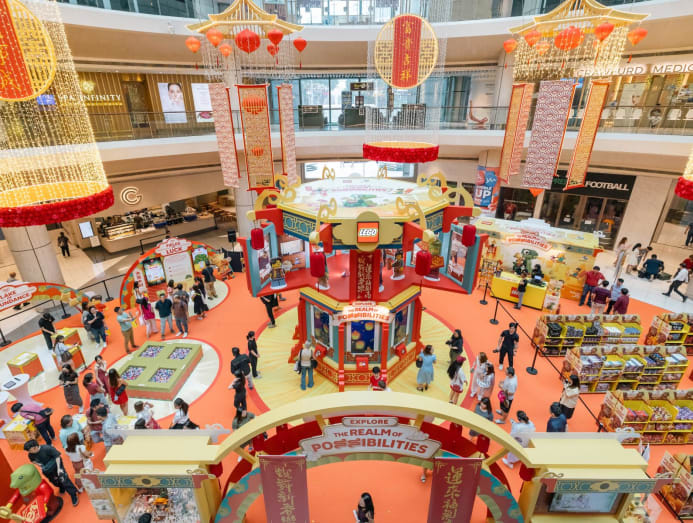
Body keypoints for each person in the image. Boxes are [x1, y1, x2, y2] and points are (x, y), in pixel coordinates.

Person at [24, 439, 80, 506]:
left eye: (30, 450)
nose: (29, 452)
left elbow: (57, 457)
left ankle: (73, 493)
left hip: (56, 464)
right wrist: (41, 466)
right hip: (47, 469)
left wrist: (59, 469)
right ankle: (61, 487)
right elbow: (33, 461)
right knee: (54, 481)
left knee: (63, 478)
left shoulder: (47, 448)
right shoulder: (31, 454)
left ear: (35, 447)